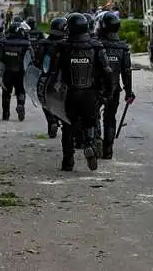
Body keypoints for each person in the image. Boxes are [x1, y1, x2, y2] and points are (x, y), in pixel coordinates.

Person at [51, 13, 111, 172]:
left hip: (69, 94)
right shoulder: (96, 46)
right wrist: (108, 92)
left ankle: (68, 161)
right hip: (90, 94)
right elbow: (107, 71)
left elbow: (53, 73)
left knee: (68, 127)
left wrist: (51, 93)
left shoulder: (62, 47)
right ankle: (89, 144)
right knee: (90, 122)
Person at [97, 13, 134, 159]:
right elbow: (127, 72)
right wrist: (129, 91)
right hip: (114, 88)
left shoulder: (96, 45)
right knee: (110, 118)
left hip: (96, 88)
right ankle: (108, 149)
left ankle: (96, 140)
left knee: (93, 116)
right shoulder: (123, 48)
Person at [37, 18, 66, 137]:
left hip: (47, 78)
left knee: (45, 102)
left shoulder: (44, 43)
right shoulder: (68, 44)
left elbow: (37, 61)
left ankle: (51, 121)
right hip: (64, 80)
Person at [0, 20, 31, 122]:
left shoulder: (4, 42)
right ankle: (20, 105)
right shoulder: (26, 44)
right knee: (21, 91)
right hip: (21, 72)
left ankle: (6, 114)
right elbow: (31, 58)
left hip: (7, 72)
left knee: (6, 93)